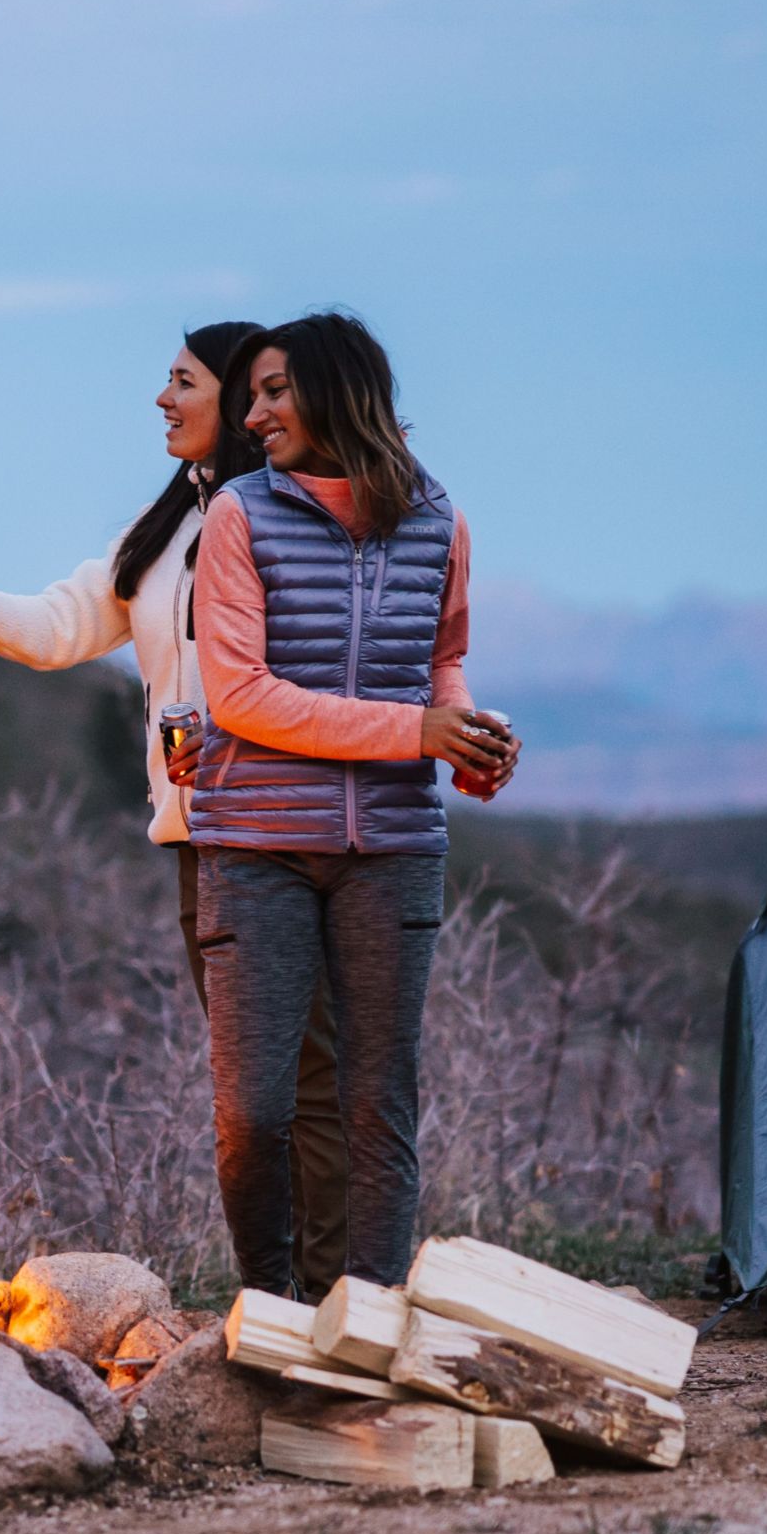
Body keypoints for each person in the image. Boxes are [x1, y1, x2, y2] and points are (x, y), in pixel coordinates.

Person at [0, 319, 357, 1301]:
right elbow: (59, 625)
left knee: (316, 1082)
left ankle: (338, 1307)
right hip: (203, 849)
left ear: (243, 399)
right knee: (251, 1104)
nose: (162, 400)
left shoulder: (297, 521)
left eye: (182, 382)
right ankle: (276, 1297)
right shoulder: (165, 533)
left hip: (293, 833)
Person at [187, 310, 520, 1297]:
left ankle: (368, 1320)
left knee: (382, 1101)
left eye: (275, 390)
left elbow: (442, 660)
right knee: (255, 1110)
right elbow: (238, 696)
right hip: (256, 844)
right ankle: (273, 1308)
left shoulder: (439, 519)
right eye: (252, 394)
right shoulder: (240, 516)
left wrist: (465, 741)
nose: (255, 412)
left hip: (395, 846)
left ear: (337, 391)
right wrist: (412, 733)